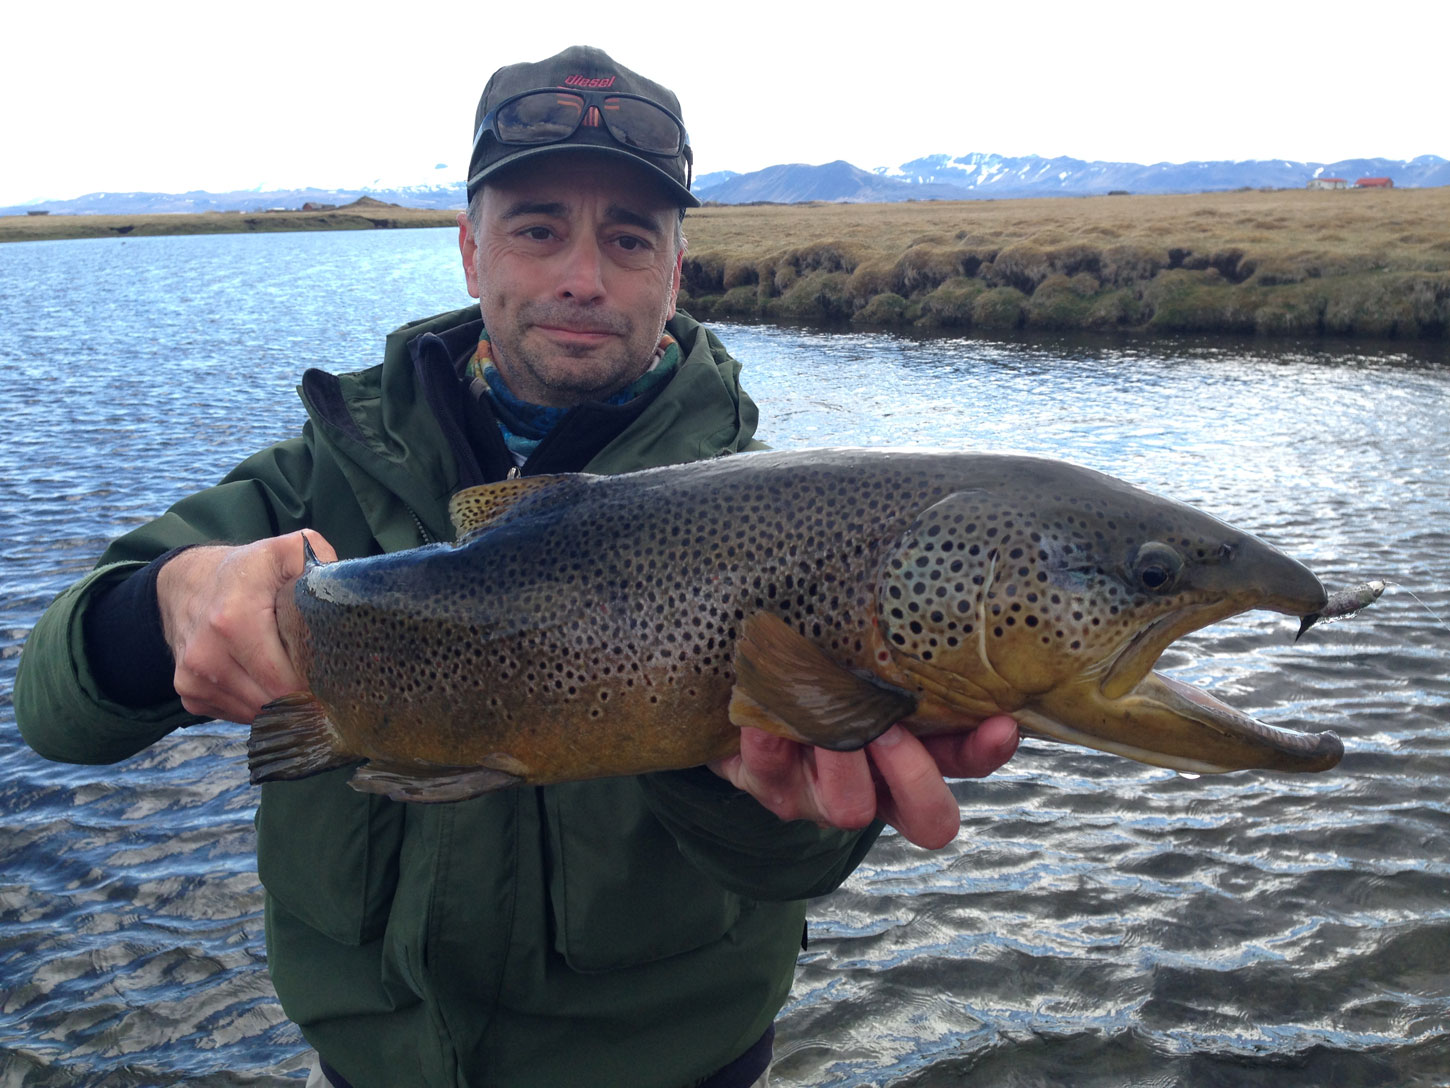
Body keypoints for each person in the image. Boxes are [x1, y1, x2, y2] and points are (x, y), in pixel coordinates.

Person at [13, 45, 1019, 1088]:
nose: (583, 277)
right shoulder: (324, 475)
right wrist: (170, 605)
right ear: (469, 253)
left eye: (628, 238)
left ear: (675, 272)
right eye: (538, 228)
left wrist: (739, 775)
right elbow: (52, 705)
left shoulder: (784, 520)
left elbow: (799, 863)